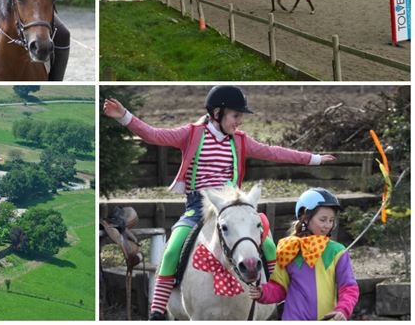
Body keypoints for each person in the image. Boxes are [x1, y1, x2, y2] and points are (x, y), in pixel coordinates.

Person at [103, 86, 336, 320]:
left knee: (267, 245)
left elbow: (273, 152)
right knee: (172, 249)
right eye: (236, 115)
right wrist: (124, 116)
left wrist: (313, 159)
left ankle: (282, 297)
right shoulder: (192, 134)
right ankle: (157, 310)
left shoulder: (241, 140)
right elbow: (154, 135)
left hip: (233, 206)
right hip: (198, 208)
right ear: (217, 113)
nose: (239, 122)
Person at [248, 188, 359, 320]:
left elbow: (349, 288)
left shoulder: (337, 251)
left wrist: (343, 309)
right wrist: (263, 292)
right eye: (323, 220)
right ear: (305, 218)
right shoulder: (289, 250)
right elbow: (279, 287)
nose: (328, 225)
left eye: (331, 220)